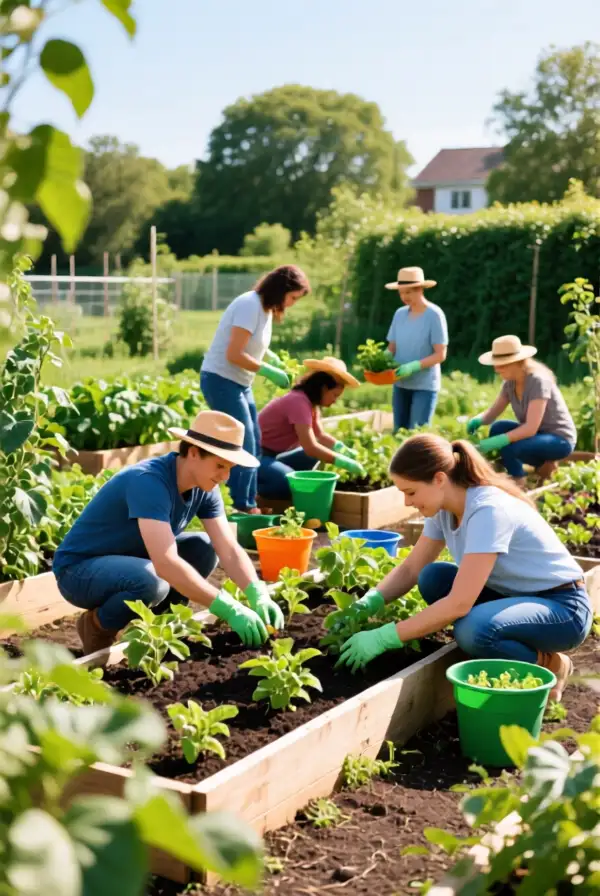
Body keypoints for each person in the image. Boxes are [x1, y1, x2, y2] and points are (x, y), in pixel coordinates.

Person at [334, 433, 592, 702]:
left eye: (410, 492)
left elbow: (459, 604)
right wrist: (370, 600)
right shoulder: (444, 508)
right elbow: (411, 568)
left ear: (439, 479)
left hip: (563, 607)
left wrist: (385, 637)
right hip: (516, 596)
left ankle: (551, 664)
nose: (407, 503)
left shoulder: (487, 510)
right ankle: (503, 637)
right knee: (432, 578)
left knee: (473, 630)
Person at [53, 411, 284, 657]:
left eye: (230, 468)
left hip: (132, 560)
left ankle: (158, 629)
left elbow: (227, 548)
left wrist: (256, 592)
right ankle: (98, 625)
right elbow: (165, 563)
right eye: (220, 465)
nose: (225, 477)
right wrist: (229, 608)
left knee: (203, 548)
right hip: (79, 571)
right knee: (152, 581)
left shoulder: (204, 486)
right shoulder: (150, 482)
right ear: (194, 452)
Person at [200, 264, 310, 514]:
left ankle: (247, 498)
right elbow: (234, 354)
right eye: (292, 297)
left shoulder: (265, 309)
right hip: (220, 379)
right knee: (244, 443)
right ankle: (242, 506)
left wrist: (273, 360)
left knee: (255, 440)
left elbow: (254, 341)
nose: (292, 303)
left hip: (240, 383)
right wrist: (268, 371)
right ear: (282, 289)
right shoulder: (250, 305)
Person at [467, 335, 577, 485]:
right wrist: (478, 420)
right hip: (538, 436)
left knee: (512, 448)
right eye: (496, 363)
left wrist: (499, 441)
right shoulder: (509, 384)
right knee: (498, 428)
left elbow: (530, 428)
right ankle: (543, 466)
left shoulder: (538, 381)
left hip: (559, 439)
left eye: (502, 364)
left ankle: (518, 482)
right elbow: (493, 412)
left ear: (518, 362)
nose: (496, 369)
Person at [257, 357, 366, 500]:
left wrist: (342, 449)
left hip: (272, 456)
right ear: (323, 388)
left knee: (308, 460)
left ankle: (273, 476)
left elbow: (320, 435)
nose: (335, 400)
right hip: (256, 456)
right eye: (334, 395)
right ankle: (251, 490)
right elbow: (310, 447)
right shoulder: (298, 402)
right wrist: (343, 462)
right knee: (290, 483)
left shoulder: (310, 403)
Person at [385, 266, 448, 432]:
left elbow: (440, 354)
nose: (404, 297)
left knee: (417, 434)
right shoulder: (399, 314)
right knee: (399, 432)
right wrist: (380, 363)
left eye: (409, 292)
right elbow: (392, 347)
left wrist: (413, 366)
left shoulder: (434, 315)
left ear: (420, 289)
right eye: (401, 292)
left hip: (424, 385)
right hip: (400, 382)